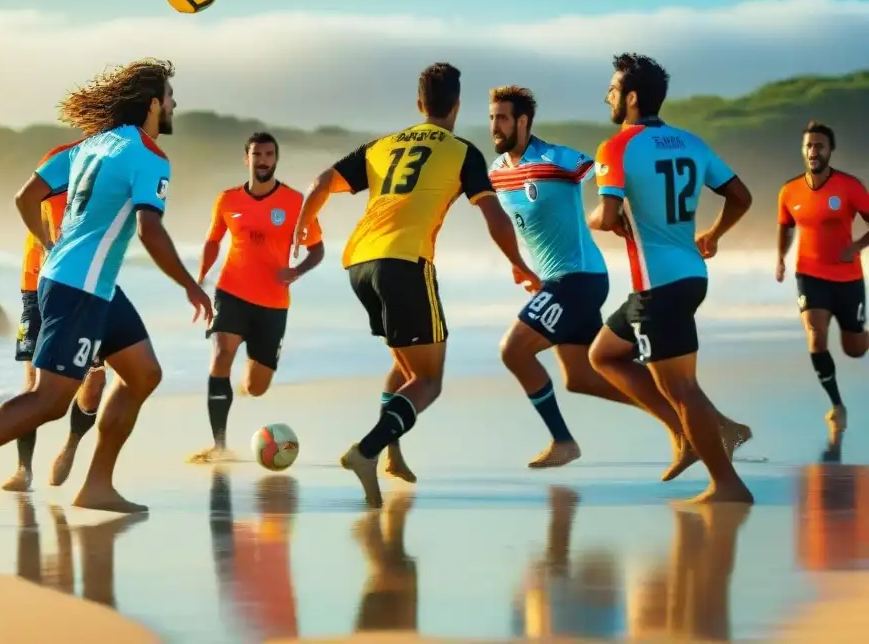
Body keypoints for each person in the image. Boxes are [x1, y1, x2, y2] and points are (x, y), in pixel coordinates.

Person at [0, 59, 213, 527]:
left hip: (85, 283)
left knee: (142, 374)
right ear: (154, 103)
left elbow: (25, 197)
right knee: (50, 400)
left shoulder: (87, 146)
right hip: (80, 288)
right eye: (171, 96)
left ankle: (97, 485)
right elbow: (149, 229)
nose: (175, 104)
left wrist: (48, 244)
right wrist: (190, 284)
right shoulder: (149, 156)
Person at [292, 62, 532, 507]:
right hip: (404, 264)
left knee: (404, 366)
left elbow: (320, 183)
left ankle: (390, 455)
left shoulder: (382, 146)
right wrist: (518, 264)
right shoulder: (462, 152)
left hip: (358, 264)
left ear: (419, 104)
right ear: (456, 107)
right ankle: (366, 451)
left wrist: (301, 229)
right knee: (428, 380)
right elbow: (494, 215)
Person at [488, 85, 704, 479]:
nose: (495, 126)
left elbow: (614, 177)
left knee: (513, 351)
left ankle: (563, 442)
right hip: (554, 281)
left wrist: (619, 213)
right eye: (491, 117)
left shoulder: (559, 159)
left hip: (580, 278)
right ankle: (686, 424)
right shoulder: (496, 172)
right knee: (581, 377)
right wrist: (519, 265)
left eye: (502, 117)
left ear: (522, 121)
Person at [586, 53, 754, 504]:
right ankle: (701, 432)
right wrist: (714, 234)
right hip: (688, 276)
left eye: (614, 90)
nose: (608, 96)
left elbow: (606, 216)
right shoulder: (691, 142)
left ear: (633, 98)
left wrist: (591, 218)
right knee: (604, 354)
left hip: (657, 286)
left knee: (681, 388)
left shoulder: (615, 148)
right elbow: (741, 195)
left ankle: (727, 484)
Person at [189, 131, 325, 462]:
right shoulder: (228, 200)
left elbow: (317, 249)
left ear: (275, 160)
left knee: (256, 388)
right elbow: (212, 241)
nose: (263, 160)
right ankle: (219, 444)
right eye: (257, 154)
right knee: (221, 354)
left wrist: (297, 271)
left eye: (268, 154)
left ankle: (246, 381)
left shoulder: (295, 203)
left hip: (273, 303)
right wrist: (200, 279)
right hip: (232, 290)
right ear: (246, 158)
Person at [4, 144, 107, 493]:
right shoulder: (56, 164)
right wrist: (50, 243)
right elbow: (28, 202)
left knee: (93, 383)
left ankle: (72, 444)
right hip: (36, 286)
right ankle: (23, 469)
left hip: (87, 289)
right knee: (34, 383)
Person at [776, 120, 869, 439]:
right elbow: (786, 226)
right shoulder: (789, 190)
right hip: (810, 275)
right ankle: (837, 405)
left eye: (819, 145)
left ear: (830, 150)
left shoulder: (850, 186)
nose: (813, 151)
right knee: (815, 336)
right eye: (808, 146)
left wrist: (857, 246)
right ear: (803, 151)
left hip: (848, 278)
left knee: (855, 348)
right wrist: (780, 259)